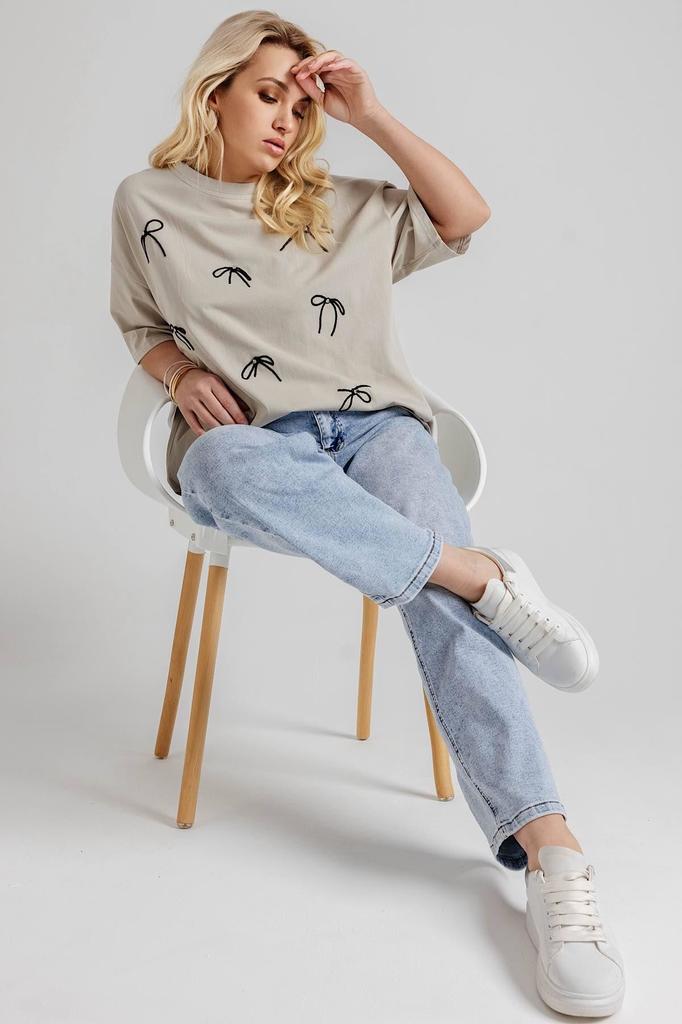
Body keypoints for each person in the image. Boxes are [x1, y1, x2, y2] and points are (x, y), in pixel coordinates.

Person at [109, 10, 625, 1016]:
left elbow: (466, 214)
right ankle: (477, 574)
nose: (285, 120)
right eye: (268, 94)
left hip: (379, 431)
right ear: (215, 90)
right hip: (262, 446)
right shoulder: (148, 202)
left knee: (428, 595)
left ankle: (552, 853)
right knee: (218, 465)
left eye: (300, 107)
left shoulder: (340, 205)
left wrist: (371, 115)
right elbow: (138, 320)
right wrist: (177, 372)